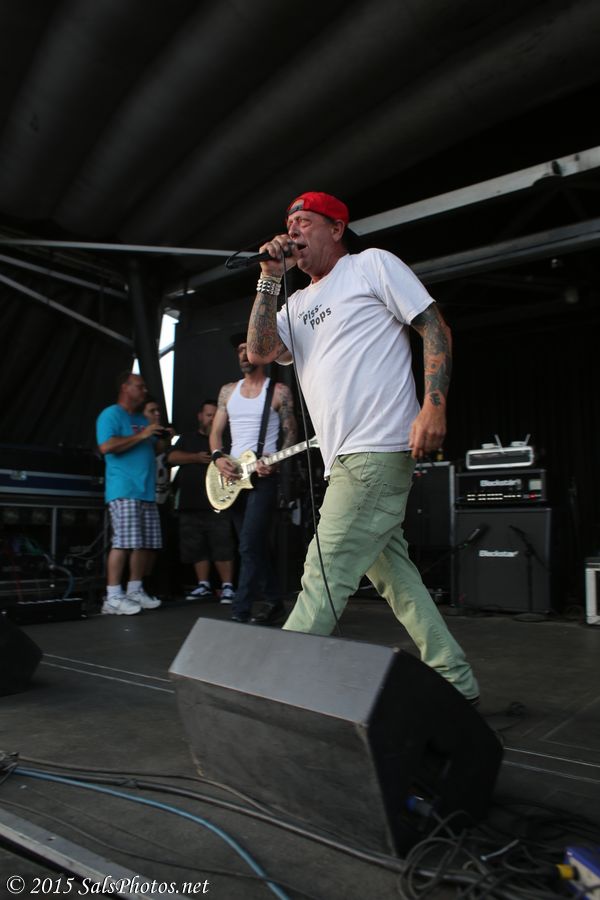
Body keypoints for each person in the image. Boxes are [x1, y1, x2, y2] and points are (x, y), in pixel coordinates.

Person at [245, 191, 479, 701]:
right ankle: (455, 678)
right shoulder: (296, 304)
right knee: (398, 579)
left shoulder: (371, 265)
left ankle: (273, 694)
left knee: (323, 572)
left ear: (336, 228)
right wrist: (269, 277)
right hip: (344, 458)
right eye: (289, 222)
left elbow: (434, 326)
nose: (294, 230)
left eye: (305, 221)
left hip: (376, 448)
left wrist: (434, 406)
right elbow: (260, 351)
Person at [209, 336, 298, 624]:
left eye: (247, 349)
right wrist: (217, 457)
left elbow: (291, 433)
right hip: (233, 477)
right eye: (239, 350)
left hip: (263, 478)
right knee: (253, 545)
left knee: (248, 545)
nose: (242, 355)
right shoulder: (227, 391)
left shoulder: (279, 391)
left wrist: (275, 461)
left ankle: (240, 610)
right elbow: (215, 433)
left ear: (261, 354)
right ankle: (274, 601)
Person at [96, 372, 165, 615]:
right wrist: (142, 434)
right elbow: (106, 446)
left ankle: (135, 589)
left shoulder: (142, 419)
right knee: (124, 543)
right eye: (140, 386)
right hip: (124, 489)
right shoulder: (111, 414)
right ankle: (113, 596)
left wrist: (161, 435)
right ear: (125, 388)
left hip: (146, 490)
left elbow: (155, 450)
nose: (144, 390)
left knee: (143, 544)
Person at [167, 400, 236, 602]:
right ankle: (203, 584)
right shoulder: (188, 438)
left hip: (219, 502)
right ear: (200, 416)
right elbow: (171, 458)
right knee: (195, 546)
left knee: (222, 545)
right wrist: (195, 458)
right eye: (208, 415)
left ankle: (227, 586)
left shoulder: (225, 441)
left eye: (215, 415)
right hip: (190, 503)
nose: (212, 419)